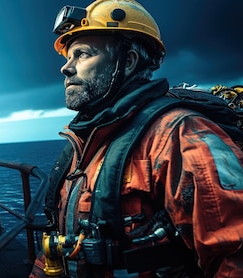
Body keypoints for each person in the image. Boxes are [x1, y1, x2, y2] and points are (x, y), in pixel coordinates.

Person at [30, 0, 243, 277]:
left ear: (127, 62)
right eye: (68, 57)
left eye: (82, 54)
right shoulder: (85, 143)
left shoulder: (180, 135)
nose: (66, 68)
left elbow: (233, 255)